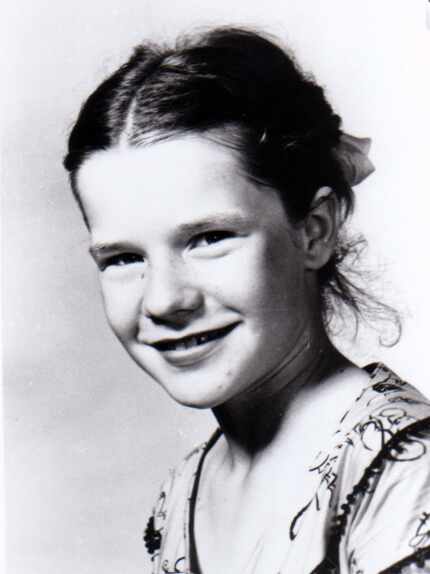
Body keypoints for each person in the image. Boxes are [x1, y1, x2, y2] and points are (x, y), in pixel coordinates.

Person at [63, 27, 430, 574]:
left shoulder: (405, 477)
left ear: (313, 230)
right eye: (122, 258)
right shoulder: (188, 491)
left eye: (209, 239)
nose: (164, 300)